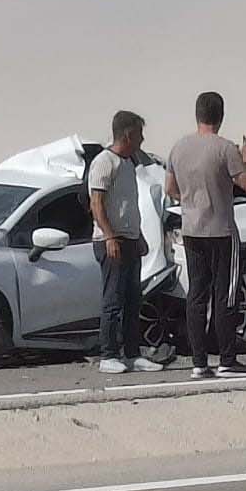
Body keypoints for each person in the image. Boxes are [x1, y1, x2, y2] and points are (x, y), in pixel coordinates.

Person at [163, 92, 246, 378]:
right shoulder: (225, 148)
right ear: (221, 115)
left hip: (192, 228)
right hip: (221, 229)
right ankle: (227, 358)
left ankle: (199, 361)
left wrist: (191, 201)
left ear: (197, 114)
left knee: (197, 294)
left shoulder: (178, 148)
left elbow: (170, 188)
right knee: (225, 294)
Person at [87, 110, 162, 374]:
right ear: (128, 135)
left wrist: (138, 236)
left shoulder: (129, 163)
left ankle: (132, 352)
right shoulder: (104, 162)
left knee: (133, 299)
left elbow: (127, 205)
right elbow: (97, 203)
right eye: (139, 135)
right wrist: (109, 236)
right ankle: (108, 354)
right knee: (113, 299)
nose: (142, 140)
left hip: (130, 239)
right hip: (111, 241)